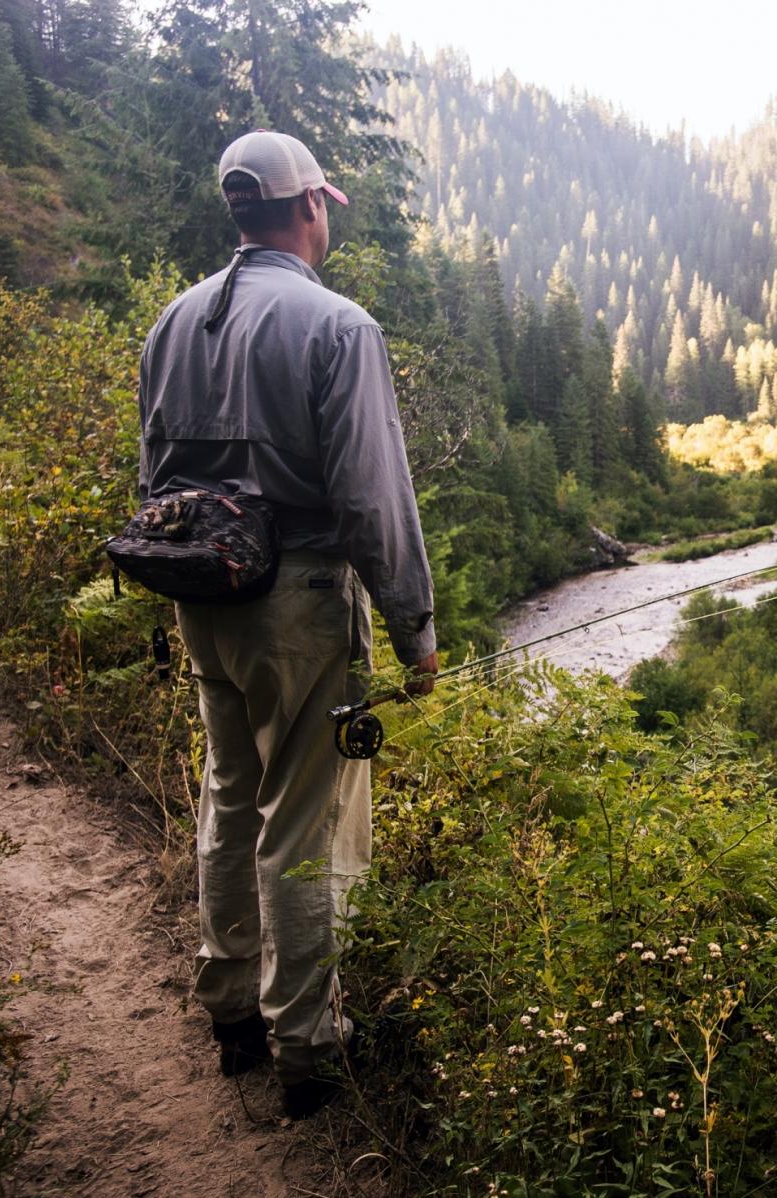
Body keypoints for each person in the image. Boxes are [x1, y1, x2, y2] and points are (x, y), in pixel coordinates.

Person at [137, 129, 438, 1119]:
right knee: (306, 820)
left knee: (231, 794)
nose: (326, 219)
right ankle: (310, 1046)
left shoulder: (171, 324)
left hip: (203, 605)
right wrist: (415, 630)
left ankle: (230, 1010)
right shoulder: (338, 326)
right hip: (301, 607)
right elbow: (371, 499)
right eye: (325, 207)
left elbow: (155, 489)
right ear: (308, 207)